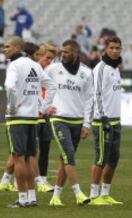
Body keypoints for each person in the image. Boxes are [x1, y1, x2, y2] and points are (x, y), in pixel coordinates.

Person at [3, 36, 56, 208]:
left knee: (18, 158)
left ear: (18, 48)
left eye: (7, 46)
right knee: (28, 158)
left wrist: (11, 106)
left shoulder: (14, 66)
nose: (5, 49)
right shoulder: (35, 65)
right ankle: (32, 197)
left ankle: (22, 198)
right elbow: (51, 86)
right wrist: (42, 108)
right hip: (33, 118)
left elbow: (10, 87)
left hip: (17, 118)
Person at [46, 40, 93, 206]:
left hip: (77, 121)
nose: (62, 54)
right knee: (69, 155)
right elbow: (36, 86)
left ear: (75, 53)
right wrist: (44, 106)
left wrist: (87, 124)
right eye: (62, 51)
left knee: (65, 160)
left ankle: (55, 197)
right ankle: (78, 193)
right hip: (59, 119)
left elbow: (89, 100)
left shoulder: (87, 73)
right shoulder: (53, 69)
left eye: (66, 52)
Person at [88, 36, 123, 206]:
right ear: (105, 50)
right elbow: (97, 94)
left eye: (117, 48)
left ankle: (105, 193)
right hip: (103, 121)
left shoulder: (116, 68)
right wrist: (103, 117)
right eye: (112, 48)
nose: (115, 51)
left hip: (116, 121)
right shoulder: (101, 68)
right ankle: (94, 196)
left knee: (114, 159)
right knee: (101, 158)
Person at [34, 43, 58, 192]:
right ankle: (20, 180)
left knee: (45, 149)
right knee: (29, 151)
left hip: (46, 115)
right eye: (48, 58)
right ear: (39, 55)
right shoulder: (33, 70)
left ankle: (42, 180)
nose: (49, 61)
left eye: (52, 59)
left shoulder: (52, 72)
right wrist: (42, 107)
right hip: (33, 115)